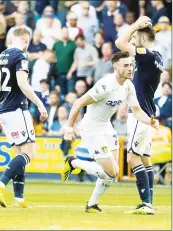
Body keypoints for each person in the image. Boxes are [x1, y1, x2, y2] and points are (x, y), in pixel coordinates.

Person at [61, 51, 159, 214]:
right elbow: (78, 102)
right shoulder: (105, 85)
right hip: (92, 128)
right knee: (110, 171)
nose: (130, 68)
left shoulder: (128, 85)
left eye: (131, 65)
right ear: (115, 67)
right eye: (126, 65)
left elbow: (136, 111)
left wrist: (149, 121)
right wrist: (69, 128)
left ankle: (92, 204)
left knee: (113, 174)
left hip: (106, 127)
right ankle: (73, 163)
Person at [0, 27, 48, 208]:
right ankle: (0, 183)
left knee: (19, 155)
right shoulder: (21, 56)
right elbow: (23, 83)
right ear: (27, 40)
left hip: (4, 112)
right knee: (30, 153)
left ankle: (19, 198)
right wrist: (39, 104)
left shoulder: (0, 57)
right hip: (17, 109)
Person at [115, 16, 163, 214]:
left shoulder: (147, 55)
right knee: (144, 157)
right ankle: (149, 201)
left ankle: (146, 204)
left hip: (140, 114)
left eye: (135, 39)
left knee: (132, 158)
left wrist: (135, 25)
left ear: (142, 40)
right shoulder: (158, 56)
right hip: (148, 112)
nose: (132, 42)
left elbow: (119, 43)